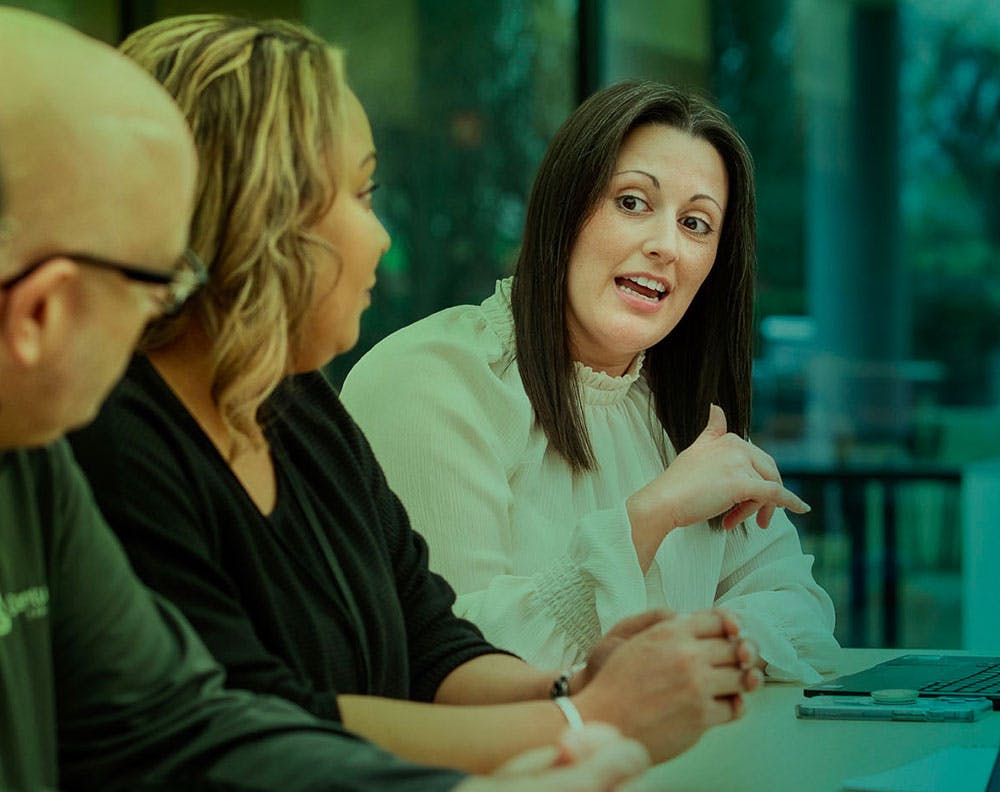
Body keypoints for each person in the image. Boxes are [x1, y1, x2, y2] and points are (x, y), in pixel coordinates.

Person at [67, 14, 762, 777]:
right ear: (266, 215)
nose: (383, 238)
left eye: (697, 225)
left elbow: (430, 644)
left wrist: (572, 684)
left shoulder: (299, 408)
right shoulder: (115, 441)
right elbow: (253, 719)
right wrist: (586, 715)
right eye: (362, 194)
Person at [341, 80, 840, 682]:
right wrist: (652, 516)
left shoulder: (672, 409)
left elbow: (801, 614)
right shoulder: (431, 381)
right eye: (632, 202)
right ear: (564, 207)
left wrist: (678, 656)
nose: (665, 247)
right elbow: (455, 669)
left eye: (696, 223)